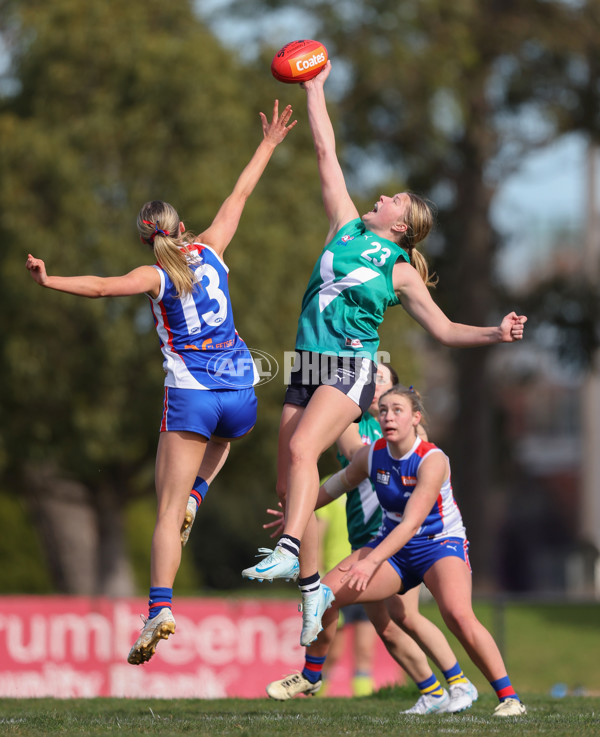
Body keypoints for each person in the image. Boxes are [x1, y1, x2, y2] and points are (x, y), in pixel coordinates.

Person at [241, 59, 527, 648]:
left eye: (393, 198)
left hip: (349, 368)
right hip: (305, 364)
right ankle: (311, 589)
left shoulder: (398, 271)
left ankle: (287, 552)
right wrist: (316, 89)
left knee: (302, 449)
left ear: (404, 225)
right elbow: (327, 154)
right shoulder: (345, 226)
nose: (381, 196)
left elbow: (445, 331)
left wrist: (495, 333)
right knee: (289, 484)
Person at [26, 100, 297, 665]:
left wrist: (50, 282)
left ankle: (160, 607)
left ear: (148, 238)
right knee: (225, 439)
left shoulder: (154, 273)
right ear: (182, 227)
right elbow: (238, 196)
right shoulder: (214, 249)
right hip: (241, 394)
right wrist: (268, 144)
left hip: (191, 396)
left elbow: (101, 287)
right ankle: (202, 491)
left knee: (166, 513)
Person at [267, 385, 527, 717]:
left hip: (438, 544)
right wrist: (296, 514)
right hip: (393, 549)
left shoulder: (432, 459)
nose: (389, 416)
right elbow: (333, 488)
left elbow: (411, 524)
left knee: (458, 616)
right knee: (323, 596)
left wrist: (370, 562)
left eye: (398, 410)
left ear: (415, 418)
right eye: (385, 410)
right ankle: (311, 676)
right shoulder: (372, 454)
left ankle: (509, 698)